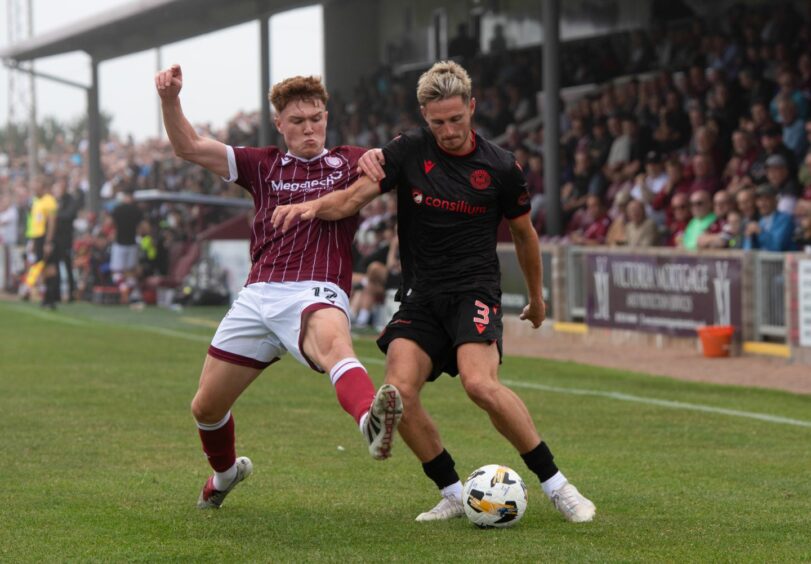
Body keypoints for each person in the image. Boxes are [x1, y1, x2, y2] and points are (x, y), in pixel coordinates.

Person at [272, 60, 596, 524]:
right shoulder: (408, 151)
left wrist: (538, 297)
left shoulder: (501, 167)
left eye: (456, 119)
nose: (447, 131)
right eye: (438, 122)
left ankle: (559, 487)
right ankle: (452, 492)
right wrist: (306, 206)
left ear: (472, 107)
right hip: (422, 295)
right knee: (397, 393)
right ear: (425, 117)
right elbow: (351, 199)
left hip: (474, 291)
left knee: (480, 385)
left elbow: (525, 237)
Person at [154, 64, 403, 510]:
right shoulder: (262, 164)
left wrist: (384, 156)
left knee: (334, 346)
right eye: (298, 121)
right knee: (205, 408)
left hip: (318, 288)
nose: (309, 128)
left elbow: (409, 156)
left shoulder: (350, 160)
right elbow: (187, 146)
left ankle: (371, 419)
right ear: (279, 124)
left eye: (316, 118)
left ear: (326, 116)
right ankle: (226, 474)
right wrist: (171, 100)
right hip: (257, 295)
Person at [110, 190, 143, 303]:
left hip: (119, 243)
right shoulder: (137, 211)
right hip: (132, 244)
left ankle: (123, 290)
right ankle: (128, 292)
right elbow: (141, 227)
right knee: (130, 272)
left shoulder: (118, 209)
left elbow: (111, 224)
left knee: (117, 272)